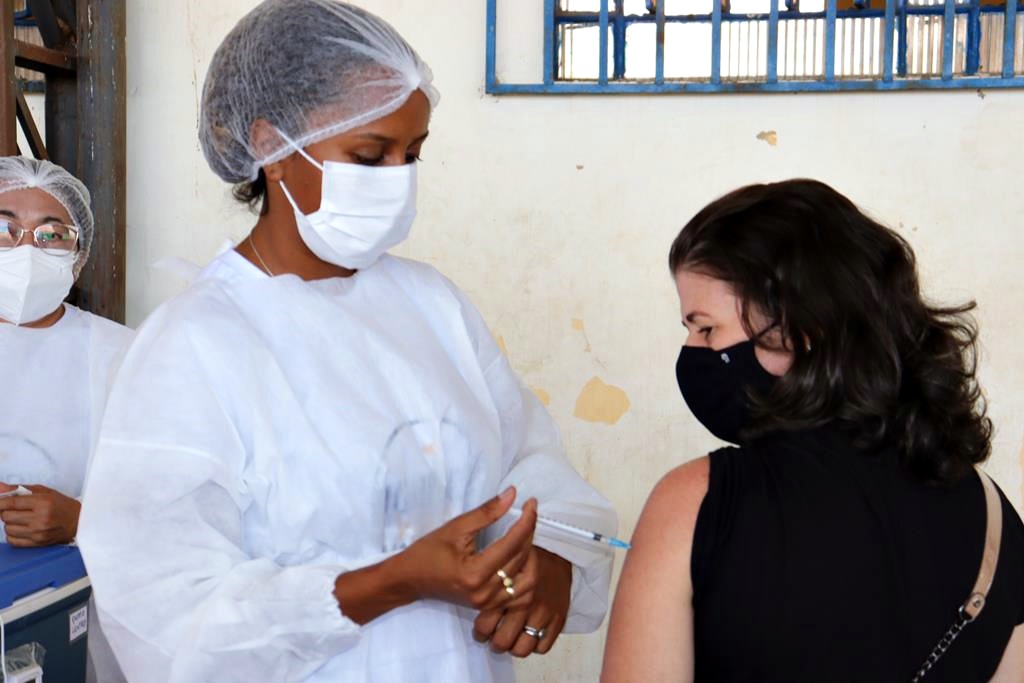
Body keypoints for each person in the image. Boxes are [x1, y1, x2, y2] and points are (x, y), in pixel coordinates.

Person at [76, 2, 617, 681]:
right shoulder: (196, 345)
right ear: (272, 147)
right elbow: (167, 615)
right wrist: (388, 581)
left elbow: (532, 465)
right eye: (369, 155)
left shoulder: (433, 306)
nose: (397, 178)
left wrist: (557, 558)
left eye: (412, 153)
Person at [602, 179, 1024, 682]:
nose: (693, 352)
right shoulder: (992, 513)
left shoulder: (697, 503)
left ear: (799, 326)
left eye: (706, 328)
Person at [0, 156, 130, 683]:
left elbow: (176, 503)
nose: (26, 249)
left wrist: (82, 520)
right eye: (5, 229)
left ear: (78, 255)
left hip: (80, 609)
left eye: (52, 234)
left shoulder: (123, 355)